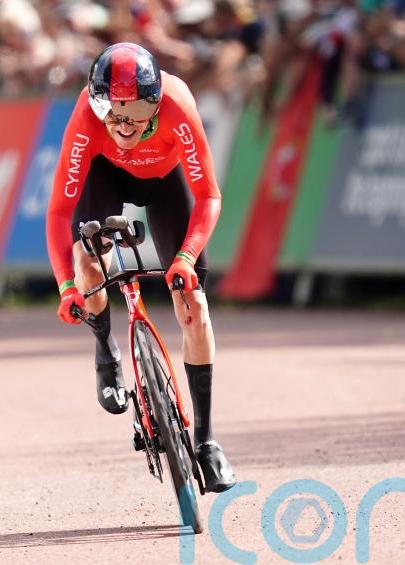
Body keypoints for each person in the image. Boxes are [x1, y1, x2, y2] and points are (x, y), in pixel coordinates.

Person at [46, 42, 236, 493]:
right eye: (113, 113)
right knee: (88, 259)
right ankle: (105, 349)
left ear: (155, 103)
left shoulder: (177, 104)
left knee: (193, 302)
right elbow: (58, 214)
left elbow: (209, 196)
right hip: (105, 177)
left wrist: (186, 258)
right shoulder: (87, 119)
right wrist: (67, 287)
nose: (123, 126)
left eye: (134, 114)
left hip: (167, 182)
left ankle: (207, 442)